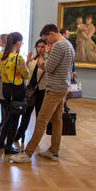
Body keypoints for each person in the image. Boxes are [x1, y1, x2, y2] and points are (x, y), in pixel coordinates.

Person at [10, 24, 75, 163]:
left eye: (46, 39)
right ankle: (53, 151)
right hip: (63, 87)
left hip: (54, 88)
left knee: (41, 121)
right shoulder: (68, 44)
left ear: (52, 34)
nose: (46, 43)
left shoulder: (57, 46)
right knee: (57, 120)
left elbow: (48, 68)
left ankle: (27, 153)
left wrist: (45, 55)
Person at [0, 32, 30, 155]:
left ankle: (0, 143)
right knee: (14, 118)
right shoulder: (18, 58)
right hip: (17, 89)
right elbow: (26, 74)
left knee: (10, 116)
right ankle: (8, 147)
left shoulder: (1, 55)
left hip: (6, 88)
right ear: (19, 43)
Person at [13, 39, 47, 147]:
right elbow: (26, 74)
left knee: (39, 116)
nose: (40, 49)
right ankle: (18, 135)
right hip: (30, 90)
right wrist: (27, 62)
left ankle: (35, 140)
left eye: (42, 46)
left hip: (41, 91)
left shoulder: (48, 60)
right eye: (38, 46)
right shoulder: (33, 59)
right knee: (25, 114)